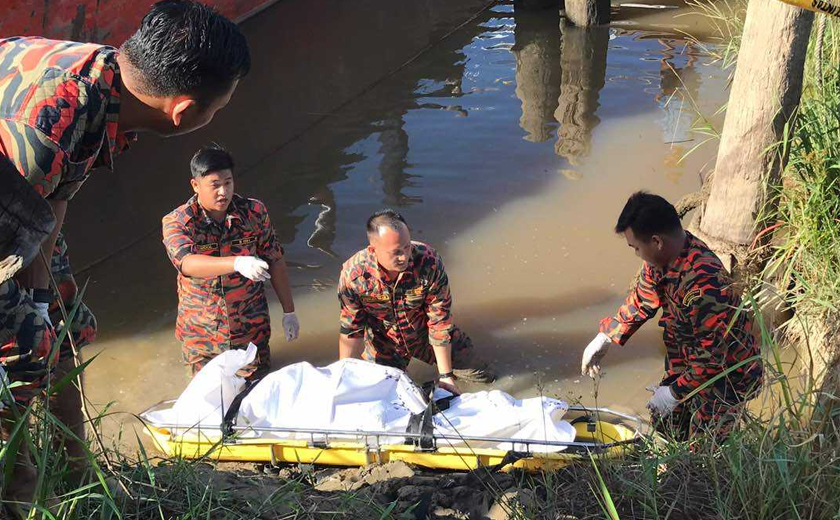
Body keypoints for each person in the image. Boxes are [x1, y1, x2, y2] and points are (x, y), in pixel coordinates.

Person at [0, 0, 250, 504]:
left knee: (61, 323)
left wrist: (46, 301)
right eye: (217, 110)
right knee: (19, 351)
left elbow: (55, 196)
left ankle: (74, 465)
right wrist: (27, 319)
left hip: (21, 196)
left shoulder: (110, 81)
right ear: (184, 112)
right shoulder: (49, 126)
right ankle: (19, 492)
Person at [580, 192, 763, 439]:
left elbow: (712, 357)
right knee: (667, 424)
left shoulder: (703, 282)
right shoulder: (662, 260)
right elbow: (643, 299)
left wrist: (674, 392)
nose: (636, 254)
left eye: (636, 248)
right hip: (689, 360)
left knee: (707, 448)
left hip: (726, 377)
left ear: (656, 241)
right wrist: (606, 336)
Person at [162, 145, 299, 380]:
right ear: (195, 185)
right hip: (202, 338)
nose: (223, 192)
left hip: (250, 332)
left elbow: (275, 260)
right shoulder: (179, 221)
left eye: (228, 182)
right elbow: (186, 263)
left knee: (255, 402)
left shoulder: (254, 213)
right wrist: (237, 263)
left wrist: (289, 311)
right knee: (206, 409)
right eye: (215, 185)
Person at [337, 209, 494, 395]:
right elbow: (351, 330)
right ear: (373, 250)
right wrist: (343, 376)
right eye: (396, 252)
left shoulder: (429, 262)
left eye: (406, 247)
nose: (404, 257)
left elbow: (440, 321)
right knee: (384, 397)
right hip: (384, 346)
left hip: (425, 336)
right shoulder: (354, 275)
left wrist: (445, 375)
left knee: (483, 378)